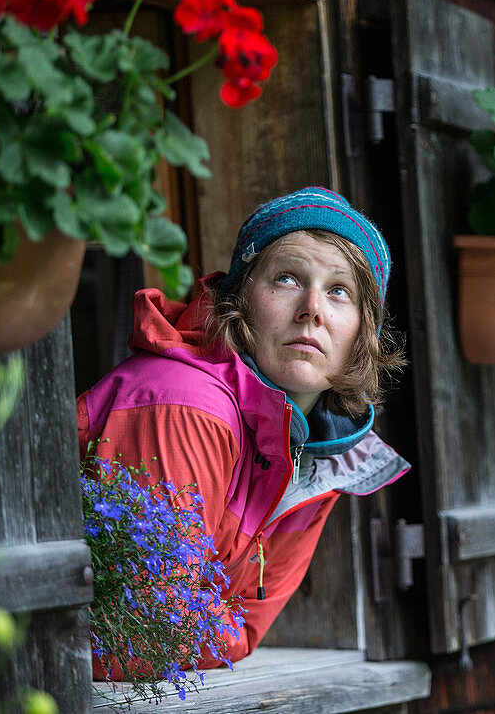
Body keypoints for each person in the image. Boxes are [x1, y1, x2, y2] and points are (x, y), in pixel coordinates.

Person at [77, 186, 409, 669]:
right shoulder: (184, 403)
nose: (313, 308)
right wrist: (209, 626)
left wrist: (206, 626)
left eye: (339, 290)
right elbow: (145, 629)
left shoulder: (323, 457)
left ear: (363, 333)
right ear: (240, 299)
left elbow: (247, 628)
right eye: (288, 279)